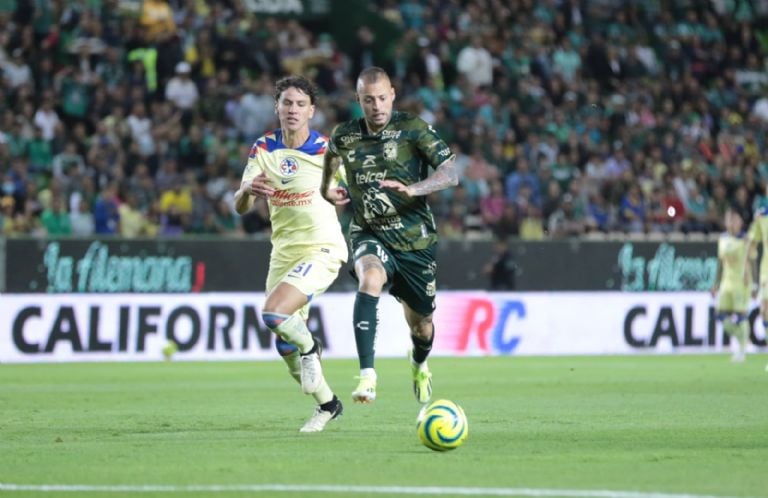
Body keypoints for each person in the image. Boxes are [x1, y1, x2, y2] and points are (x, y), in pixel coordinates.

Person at [320, 66, 458, 404]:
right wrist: (327, 189)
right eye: (369, 100)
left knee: (422, 326)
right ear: (359, 100)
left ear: (392, 94)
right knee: (370, 278)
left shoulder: (412, 128)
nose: (377, 106)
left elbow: (450, 173)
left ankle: (419, 362)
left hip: (415, 241)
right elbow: (331, 157)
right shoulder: (345, 135)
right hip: (369, 231)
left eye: (382, 98)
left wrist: (414, 188)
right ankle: (367, 376)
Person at [234, 75, 347, 432]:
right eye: (287, 103)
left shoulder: (327, 150)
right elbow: (240, 206)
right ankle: (328, 405)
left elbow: (343, 192)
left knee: (274, 313)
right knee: (283, 344)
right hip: (283, 253)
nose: (293, 109)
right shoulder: (263, 148)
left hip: (321, 248)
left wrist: (339, 194)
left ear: (311, 111)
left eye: (300, 104)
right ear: (277, 108)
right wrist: (247, 190)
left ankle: (312, 348)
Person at [712, 208, 753, 362]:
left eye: (734, 219)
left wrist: (754, 283)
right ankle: (742, 339)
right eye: (729, 219)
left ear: (740, 222)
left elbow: (752, 261)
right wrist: (715, 283)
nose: (731, 222)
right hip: (726, 282)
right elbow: (720, 263)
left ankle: (742, 351)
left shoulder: (745, 239)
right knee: (720, 315)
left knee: (741, 315)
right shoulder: (722, 239)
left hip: (741, 282)